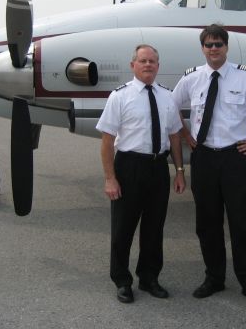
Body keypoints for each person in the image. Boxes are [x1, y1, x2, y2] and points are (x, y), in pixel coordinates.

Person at [172, 24, 246, 308]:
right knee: (207, 224)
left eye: (218, 44)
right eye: (209, 45)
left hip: (236, 158)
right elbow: (170, 107)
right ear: (202, 48)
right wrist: (187, 134)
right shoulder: (192, 78)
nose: (214, 49)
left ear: (226, 47)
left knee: (242, 225)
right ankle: (214, 278)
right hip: (205, 159)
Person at [97, 44, 185, 304]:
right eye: (143, 61)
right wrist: (110, 178)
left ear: (158, 66)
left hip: (158, 167)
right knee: (123, 228)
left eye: (153, 61)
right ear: (133, 65)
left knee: (154, 228)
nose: (148, 65)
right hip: (129, 167)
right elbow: (106, 140)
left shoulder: (167, 96)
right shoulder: (120, 96)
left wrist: (179, 171)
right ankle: (122, 281)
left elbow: (175, 136)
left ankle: (149, 278)